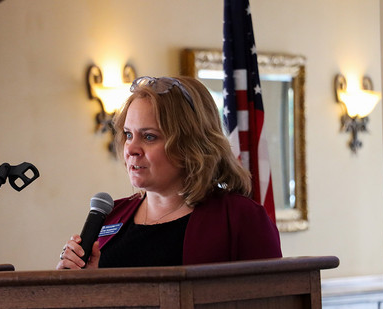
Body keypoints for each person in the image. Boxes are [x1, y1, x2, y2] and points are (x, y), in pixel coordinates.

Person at [56, 76, 282, 270]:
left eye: (149, 136)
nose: (131, 149)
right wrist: (82, 282)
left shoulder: (240, 218)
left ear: (190, 145)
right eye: (128, 134)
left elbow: (272, 307)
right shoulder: (112, 215)